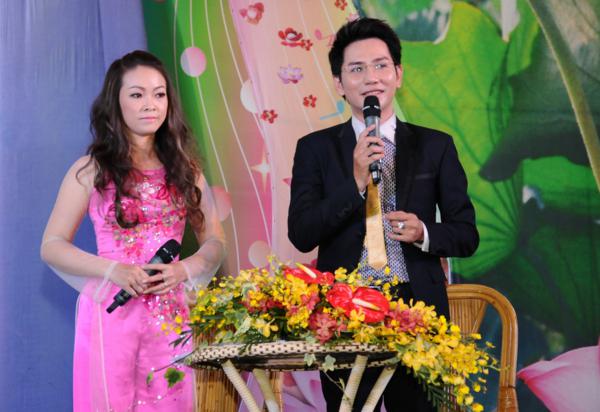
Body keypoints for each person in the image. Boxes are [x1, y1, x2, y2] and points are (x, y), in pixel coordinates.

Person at [288, 18, 479, 412]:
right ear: (339, 83)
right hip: (343, 308)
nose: (371, 78)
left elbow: (466, 234)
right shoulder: (315, 149)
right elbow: (302, 233)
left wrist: (424, 232)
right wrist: (356, 183)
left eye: (380, 65)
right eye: (357, 69)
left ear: (398, 74)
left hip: (416, 306)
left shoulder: (435, 146)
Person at [41, 50, 226, 411]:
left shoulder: (187, 171)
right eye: (137, 94)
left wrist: (183, 269)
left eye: (159, 94)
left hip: (170, 315)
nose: (150, 105)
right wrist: (114, 270)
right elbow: (52, 245)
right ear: (116, 102)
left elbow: (215, 242)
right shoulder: (90, 170)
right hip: (112, 312)